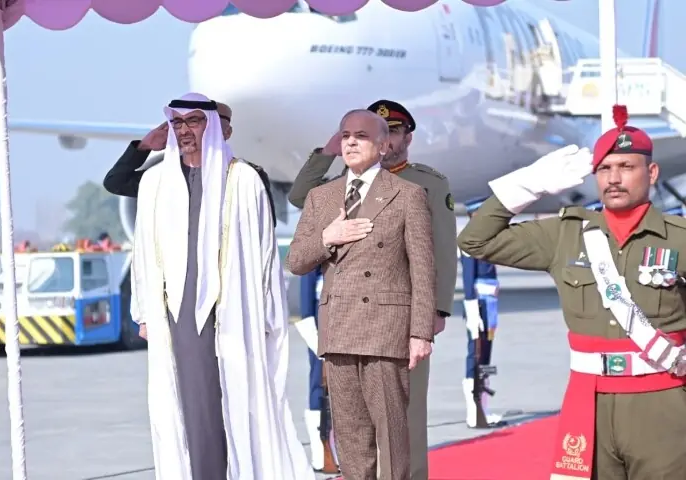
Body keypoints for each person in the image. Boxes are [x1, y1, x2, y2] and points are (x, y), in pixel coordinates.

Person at [457, 104, 686, 479]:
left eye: (626, 167)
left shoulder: (680, 239)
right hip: (588, 404)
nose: (614, 178)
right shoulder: (564, 235)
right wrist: (527, 184)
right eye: (604, 169)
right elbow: (475, 240)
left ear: (652, 172)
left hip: (661, 403)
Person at [130, 92, 312, 480]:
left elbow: (265, 254)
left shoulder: (243, 179)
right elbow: (142, 253)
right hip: (177, 317)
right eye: (177, 123)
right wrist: (144, 312)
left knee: (240, 404)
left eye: (193, 122)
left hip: (234, 314)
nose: (184, 132)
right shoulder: (154, 184)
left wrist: (266, 312)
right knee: (190, 408)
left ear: (212, 126)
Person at [287, 99, 455, 479]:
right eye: (346, 135)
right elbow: (299, 236)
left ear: (393, 140)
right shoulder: (326, 194)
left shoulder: (419, 187)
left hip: (394, 320)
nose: (351, 143)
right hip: (342, 325)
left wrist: (430, 317)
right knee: (350, 431)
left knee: (400, 424)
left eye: (365, 135)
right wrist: (328, 236)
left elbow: (435, 255)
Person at [102, 101, 277, 225]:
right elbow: (116, 182)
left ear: (227, 133)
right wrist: (143, 146)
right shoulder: (166, 175)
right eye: (180, 124)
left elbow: (264, 228)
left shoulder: (246, 176)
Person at [459, 197, 503, 428]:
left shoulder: (485, 238)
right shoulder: (469, 240)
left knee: (486, 353)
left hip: (489, 303)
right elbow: (468, 279)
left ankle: (483, 410)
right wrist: (471, 308)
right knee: (475, 354)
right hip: (478, 304)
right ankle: (474, 412)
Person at [298, 266, 339, 474]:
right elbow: (306, 285)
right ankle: (320, 451)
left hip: (342, 314)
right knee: (319, 383)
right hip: (319, 318)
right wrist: (310, 327)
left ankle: (335, 449)